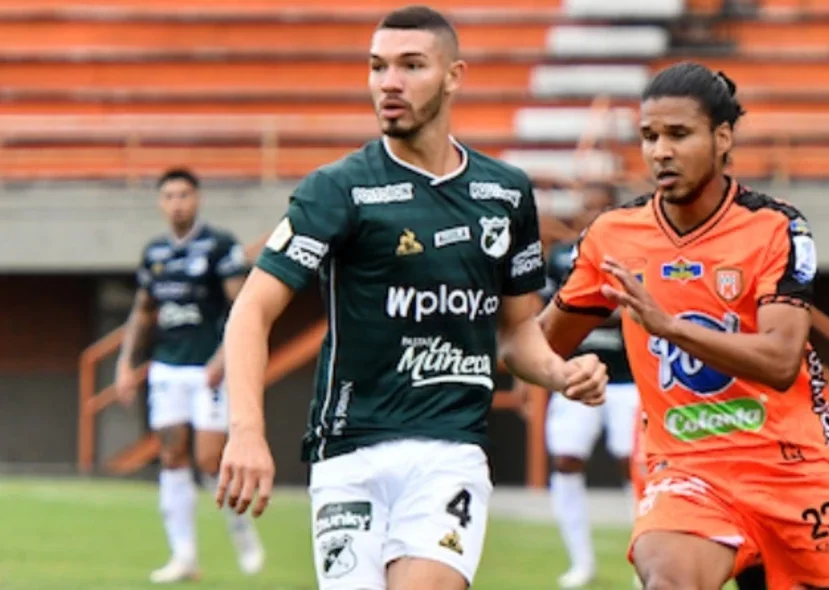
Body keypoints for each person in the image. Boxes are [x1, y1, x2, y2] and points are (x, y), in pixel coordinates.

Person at [213, 6, 608, 590]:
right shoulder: (338, 190)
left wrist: (559, 370)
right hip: (348, 455)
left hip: (450, 450)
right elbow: (252, 309)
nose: (388, 83)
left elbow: (516, 332)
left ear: (453, 76)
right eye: (377, 67)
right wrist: (245, 429)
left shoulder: (504, 193)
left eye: (410, 66)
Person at [538, 62, 829, 590]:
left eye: (678, 135)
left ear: (723, 137)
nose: (660, 151)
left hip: (788, 467)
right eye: (649, 136)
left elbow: (779, 361)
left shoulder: (776, 227)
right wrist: (563, 373)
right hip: (686, 470)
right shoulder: (614, 235)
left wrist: (668, 327)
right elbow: (540, 344)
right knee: (670, 580)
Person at [112, 167, 264, 584]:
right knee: (172, 457)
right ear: (161, 202)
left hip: (208, 368)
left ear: (197, 198)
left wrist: (222, 360)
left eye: (184, 195)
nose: (177, 203)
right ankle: (184, 556)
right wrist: (126, 362)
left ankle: (239, 526)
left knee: (209, 459)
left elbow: (243, 308)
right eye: (169, 196)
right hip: (166, 368)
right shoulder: (155, 252)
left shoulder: (220, 246)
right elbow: (144, 311)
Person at [533, 183, 641, 588]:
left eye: (602, 206)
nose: (594, 213)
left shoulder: (635, 251)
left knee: (634, 466)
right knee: (565, 458)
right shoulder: (563, 256)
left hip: (630, 379)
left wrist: (588, 309)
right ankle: (581, 562)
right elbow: (550, 310)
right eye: (588, 206)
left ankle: (642, 561)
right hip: (576, 373)